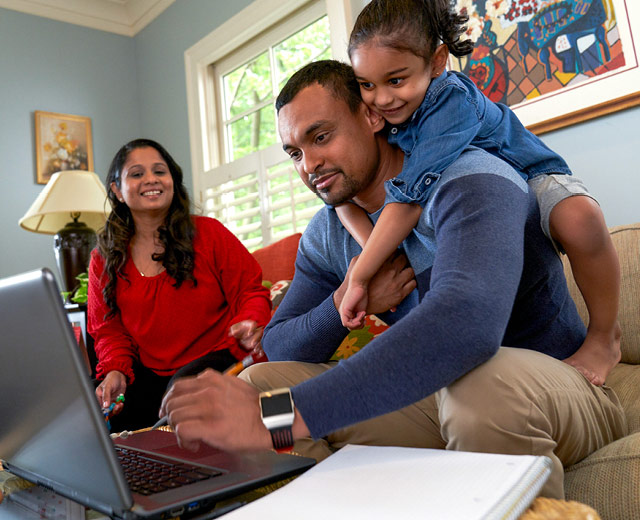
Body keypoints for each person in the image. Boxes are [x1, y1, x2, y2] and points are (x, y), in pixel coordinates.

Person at [160, 61, 627, 499]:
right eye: (294, 152)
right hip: (439, 401)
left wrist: (292, 415)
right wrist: (346, 302)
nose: (309, 165)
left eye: (321, 136)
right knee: (260, 384)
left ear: (371, 116)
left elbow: (467, 326)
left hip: (558, 386)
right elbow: (281, 344)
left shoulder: (471, 175)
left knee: (480, 383)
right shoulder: (328, 232)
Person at [335, 0, 620, 387]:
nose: (382, 99)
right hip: (484, 212)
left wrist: (360, 277)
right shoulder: (385, 115)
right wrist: (380, 250)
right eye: (367, 85)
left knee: (579, 216)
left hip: (530, 174)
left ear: (436, 62)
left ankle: (604, 338)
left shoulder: (449, 100)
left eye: (396, 80)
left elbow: (409, 197)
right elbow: (340, 202)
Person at [88, 138, 271, 431]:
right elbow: (108, 331)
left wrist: (250, 321)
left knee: (180, 391)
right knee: (93, 402)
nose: (151, 179)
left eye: (160, 171)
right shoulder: (103, 259)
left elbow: (250, 292)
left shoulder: (210, 234)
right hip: (147, 370)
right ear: (117, 191)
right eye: (136, 174)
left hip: (220, 357)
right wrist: (114, 372)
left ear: (172, 180)